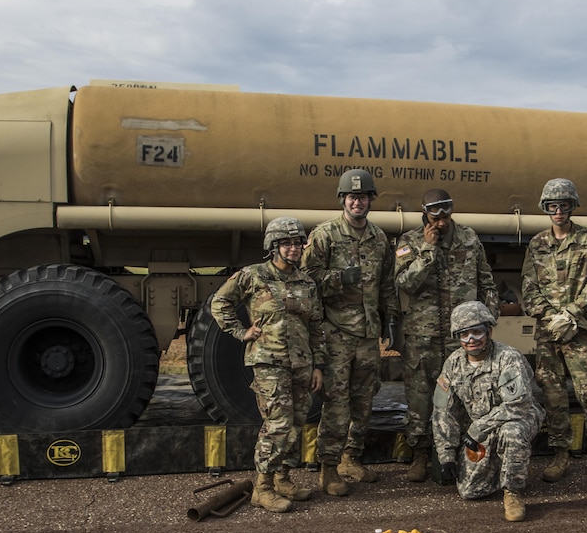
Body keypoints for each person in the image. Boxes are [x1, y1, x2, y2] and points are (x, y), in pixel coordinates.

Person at [520, 178, 587, 491]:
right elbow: (528, 287)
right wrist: (549, 315)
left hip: (579, 331)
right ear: (545, 208)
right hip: (548, 334)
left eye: (564, 205)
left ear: (572, 206)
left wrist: (572, 312)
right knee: (554, 396)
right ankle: (560, 455)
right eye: (552, 206)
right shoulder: (537, 244)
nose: (558, 211)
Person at [210, 216, 324, 513]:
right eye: (286, 243)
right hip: (269, 363)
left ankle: (283, 479)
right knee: (277, 424)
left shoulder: (306, 282)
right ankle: (262, 488)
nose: (293, 248)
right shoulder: (254, 275)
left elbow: (316, 327)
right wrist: (241, 332)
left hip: (301, 364)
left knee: (297, 422)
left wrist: (317, 366)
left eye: (297, 242)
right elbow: (219, 303)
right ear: (273, 247)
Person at [301, 169, 400, 495]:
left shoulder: (378, 237)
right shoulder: (326, 235)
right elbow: (307, 278)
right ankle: (328, 469)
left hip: (368, 334)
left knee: (364, 400)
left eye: (363, 196)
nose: (357, 201)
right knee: (337, 402)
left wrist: (391, 321)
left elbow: (387, 283)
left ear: (371, 199)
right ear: (342, 199)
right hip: (338, 333)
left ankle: (351, 459)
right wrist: (339, 278)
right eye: (351, 197)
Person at [395, 188, 499, 482]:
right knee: (421, 397)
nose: (440, 220)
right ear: (424, 213)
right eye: (434, 214)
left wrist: (490, 318)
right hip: (423, 335)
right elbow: (406, 284)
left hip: (461, 337)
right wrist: (427, 251)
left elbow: (485, 281)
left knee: (466, 395)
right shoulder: (410, 242)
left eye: (445, 213)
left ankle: (464, 453)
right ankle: (420, 454)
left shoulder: (469, 238)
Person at [432, 301, 544, 522]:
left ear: (489, 331)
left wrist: (478, 428)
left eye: (477, 332)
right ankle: (511, 465)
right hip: (481, 427)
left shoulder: (508, 357)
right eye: (464, 334)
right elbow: (443, 411)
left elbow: (518, 405)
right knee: (470, 491)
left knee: (511, 432)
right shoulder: (453, 364)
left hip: (519, 417)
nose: (471, 339)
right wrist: (445, 456)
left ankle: (513, 491)